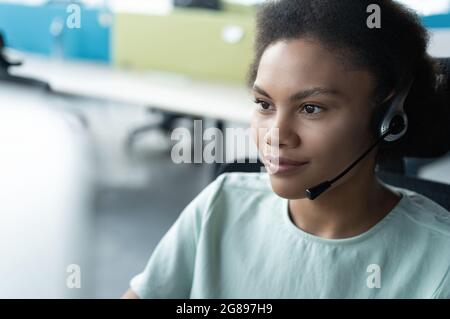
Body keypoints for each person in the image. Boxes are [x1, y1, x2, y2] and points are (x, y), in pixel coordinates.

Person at [122, 0, 450, 298]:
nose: (276, 136)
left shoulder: (439, 261)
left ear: (388, 119)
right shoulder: (222, 204)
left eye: (311, 108)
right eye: (264, 104)